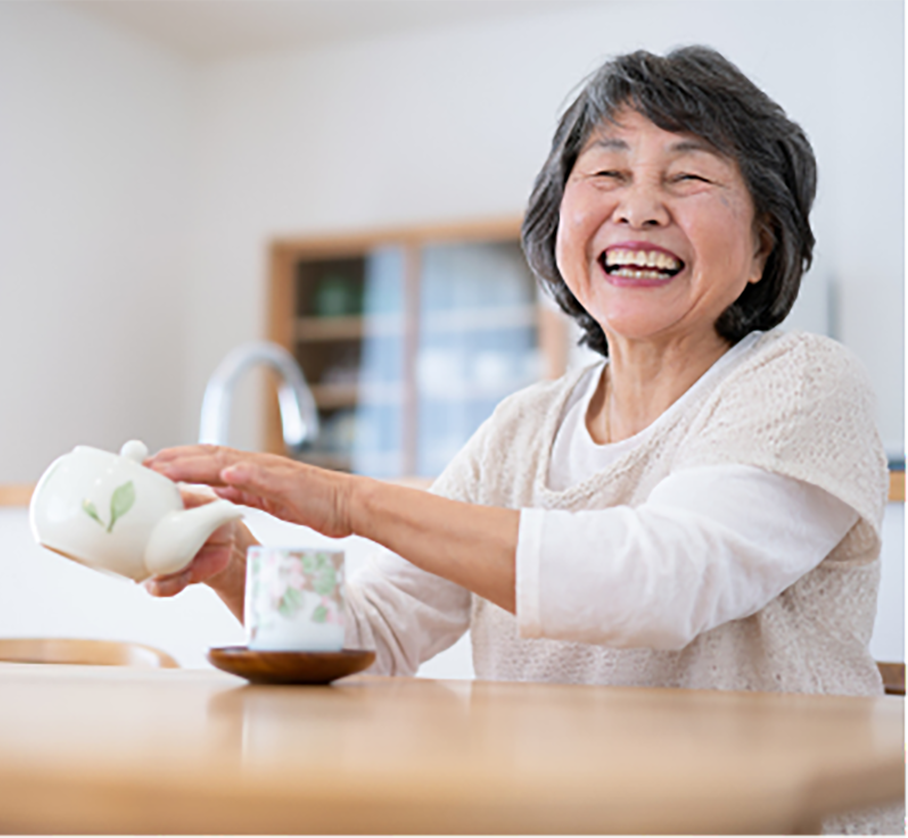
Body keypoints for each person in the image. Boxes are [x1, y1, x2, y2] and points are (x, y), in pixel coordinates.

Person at [147, 45, 894, 831]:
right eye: (607, 174)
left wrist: (347, 501)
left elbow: (659, 581)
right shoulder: (522, 427)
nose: (639, 208)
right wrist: (239, 566)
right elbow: (372, 639)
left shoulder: (805, 382)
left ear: (762, 248)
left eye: (689, 177)